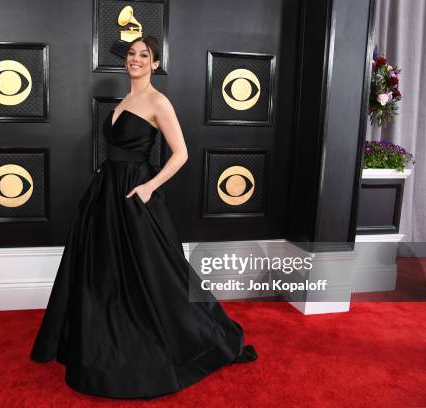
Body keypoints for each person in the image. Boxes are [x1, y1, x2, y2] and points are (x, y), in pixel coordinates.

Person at [30, 35, 257, 399]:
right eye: (132, 54)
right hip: (108, 193)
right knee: (105, 272)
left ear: (155, 64)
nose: (136, 60)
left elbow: (180, 153)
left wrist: (150, 186)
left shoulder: (157, 101)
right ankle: (101, 339)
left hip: (137, 191)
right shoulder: (126, 99)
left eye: (144, 55)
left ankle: (199, 336)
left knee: (157, 272)